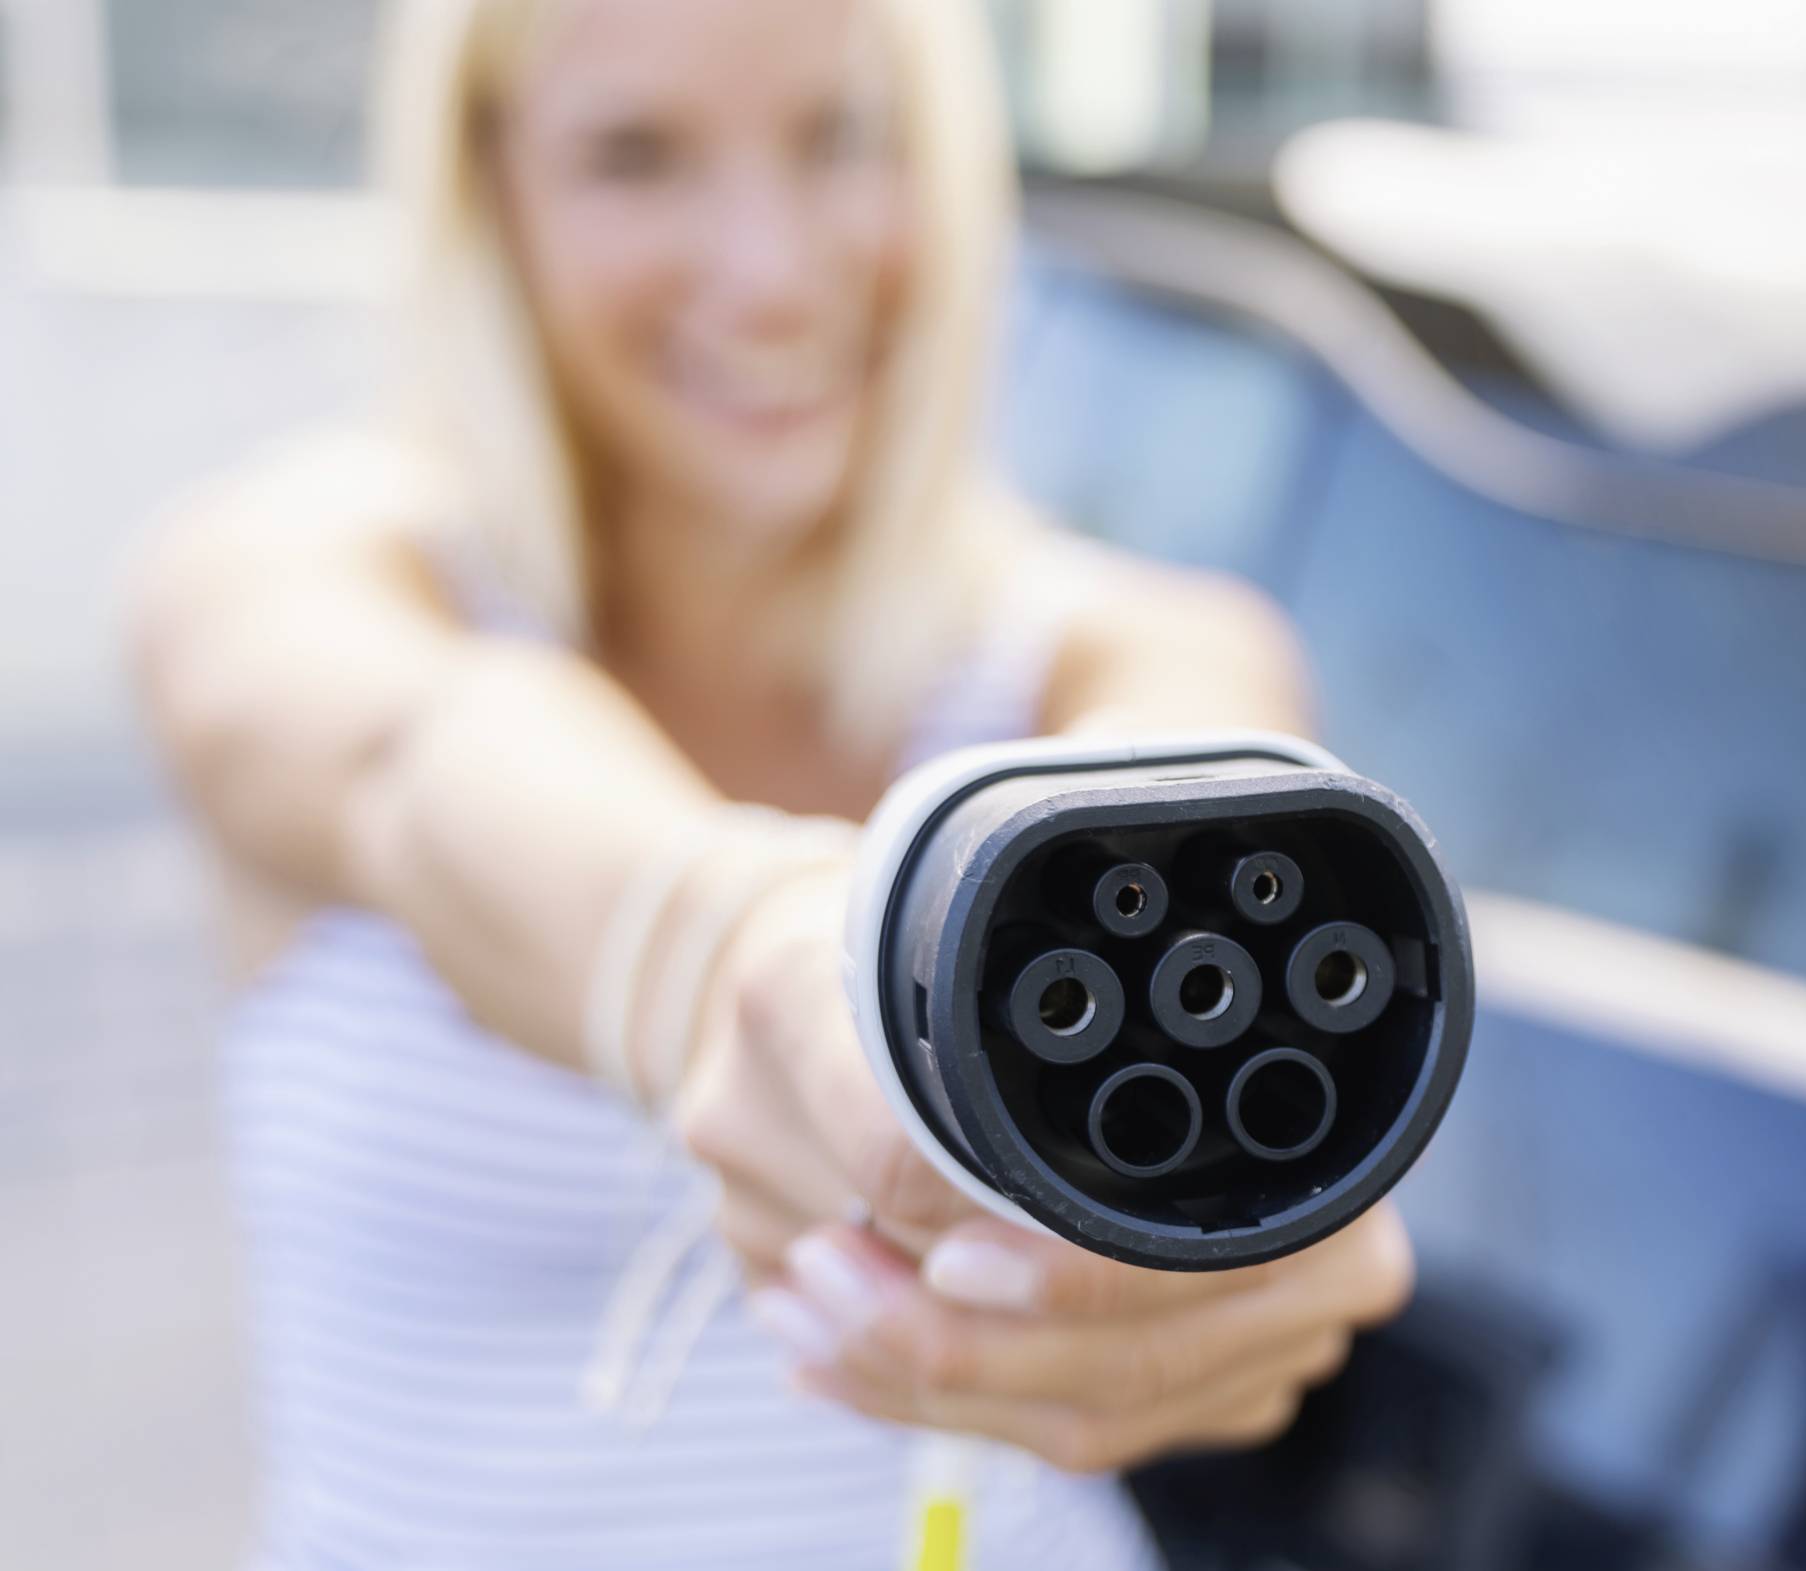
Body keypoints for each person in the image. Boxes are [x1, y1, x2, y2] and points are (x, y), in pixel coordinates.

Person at [126, 0, 1411, 1564]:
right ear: (491, 189)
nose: (770, 265)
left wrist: (1222, 1261)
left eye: (843, 134)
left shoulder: (1123, 647)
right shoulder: (293, 576)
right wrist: (746, 955)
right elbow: (419, 761)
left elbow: (1207, 763)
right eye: (635, 155)